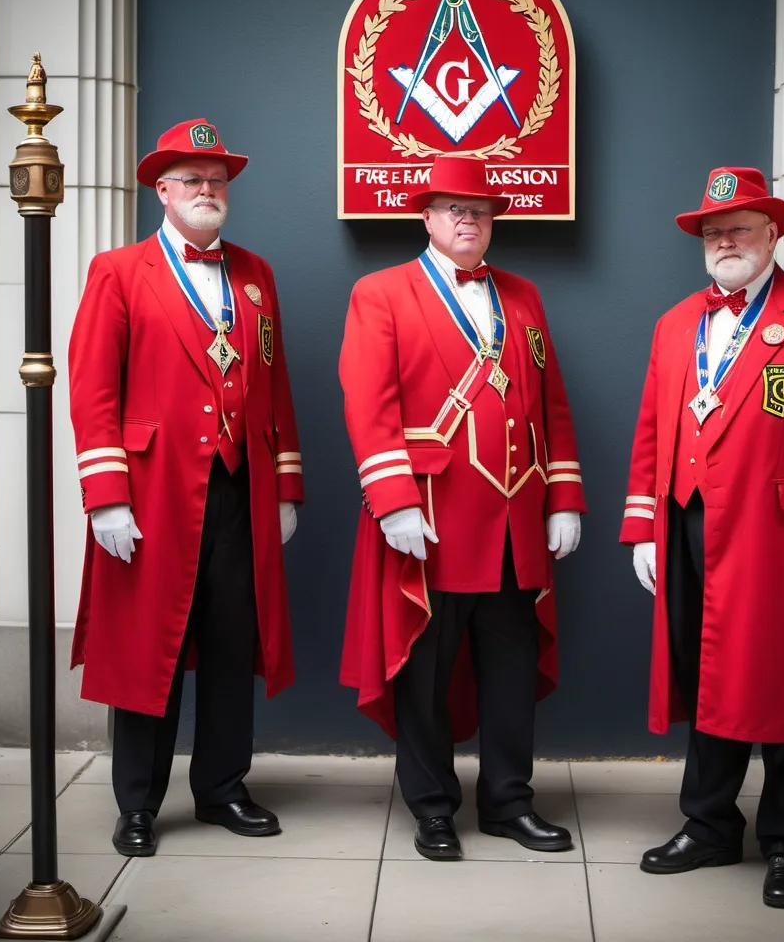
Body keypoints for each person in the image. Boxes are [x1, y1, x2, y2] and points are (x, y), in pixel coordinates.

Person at [621, 166, 784, 908]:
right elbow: (652, 433)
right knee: (711, 680)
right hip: (691, 528)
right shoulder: (676, 324)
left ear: (773, 234)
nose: (725, 242)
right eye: (713, 232)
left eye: (739, 228)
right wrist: (644, 523)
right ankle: (708, 826)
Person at [68, 119, 304, 857]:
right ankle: (137, 803)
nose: (208, 191)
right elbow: (91, 387)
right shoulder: (117, 270)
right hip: (153, 491)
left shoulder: (256, 274)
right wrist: (105, 491)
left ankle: (223, 789)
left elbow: (277, 386)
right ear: (162, 192)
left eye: (218, 181)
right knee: (149, 651)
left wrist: (287, 483)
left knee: (235, 644)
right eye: (193, 181)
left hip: (239, 488)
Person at [339, 155, 586, 860]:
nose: (467, 220)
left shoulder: (524, 295)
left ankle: (510, 801)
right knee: (425, 670)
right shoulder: (380, 293)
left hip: (515, 519)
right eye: (453, 209)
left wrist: (564, 496)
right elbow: (369, 402)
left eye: (479, 210)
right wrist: (391, 501)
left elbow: (551, 406)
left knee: (509, 670)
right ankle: (433, 807)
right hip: (431, 513)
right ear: (426, 217)